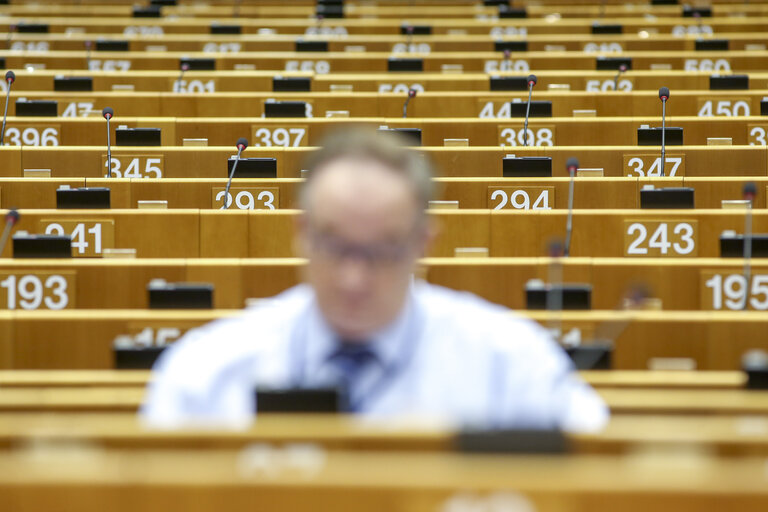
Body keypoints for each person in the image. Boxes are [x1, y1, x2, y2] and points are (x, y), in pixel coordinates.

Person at [141, 128, 609, 432]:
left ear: (424, 242)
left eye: (383, 251)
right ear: (300, 233)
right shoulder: (207, 375)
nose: (353, 278)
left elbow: (606, 479)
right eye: (334, 246)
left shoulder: (510, 366)